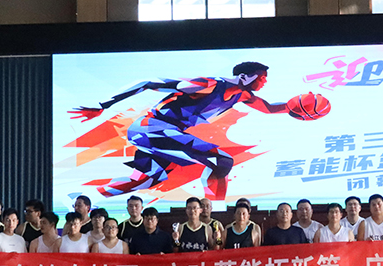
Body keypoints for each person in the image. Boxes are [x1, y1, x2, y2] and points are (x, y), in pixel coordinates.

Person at [68, 62, 297, 200]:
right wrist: (104, 105)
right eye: (262, 77)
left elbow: (269, 108)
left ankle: (83, 198)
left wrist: (299, 107)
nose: (264, 82)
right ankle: (213, 210)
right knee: (221, 161)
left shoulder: (242, 95)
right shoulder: (208, 85)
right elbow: (148, 82)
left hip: (165, 132)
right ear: (244, 77)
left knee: (147, 180)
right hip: (151, 127)